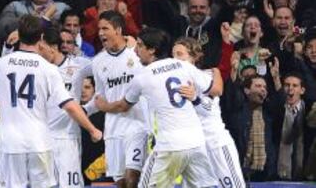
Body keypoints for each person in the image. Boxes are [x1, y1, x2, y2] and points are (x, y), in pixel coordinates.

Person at [0, 14, 102, 188]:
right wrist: (92, 129)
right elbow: (69, 105)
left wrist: (4, 115)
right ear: (40, 38)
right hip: (39, 141)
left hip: (10, 143)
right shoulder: (47, 68)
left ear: (19, 35)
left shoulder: (1, 64)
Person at [94, 27, 220, 188]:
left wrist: (104, 105)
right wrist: (204, 85)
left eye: (139, 46)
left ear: (152, 50)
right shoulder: (182, 65)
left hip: (168, 146)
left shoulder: (142, 77)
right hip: (195, 142)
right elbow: (215, 89)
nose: (136, 50)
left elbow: (122, 106)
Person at [86, 10, 148, 188]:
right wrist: (86, 109)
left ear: (119, 30)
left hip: (138, 126)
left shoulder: (136, 55)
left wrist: (106, 106)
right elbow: (100, 98)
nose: (100, 33)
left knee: (134, 178)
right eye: (99, 29)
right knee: (120, 181)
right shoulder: (98, 62)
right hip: (113, 130)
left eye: (105, 28)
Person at [172, 37, 246, 188]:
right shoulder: (171, 83)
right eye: (173, 55)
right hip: (193, 150)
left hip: (215, 143)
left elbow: (209, 108)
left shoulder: (207, 76)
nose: (175, 59)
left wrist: (194, 97)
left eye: (180, 54)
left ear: (194, 57)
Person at [38, 27, 91, 188]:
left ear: (52, 47)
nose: (38, 51)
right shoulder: (38, 69)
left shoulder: (78, 66)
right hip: (42, 138)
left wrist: (90, 107)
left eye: (41, 47)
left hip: (67, 137)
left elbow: (104, 69)